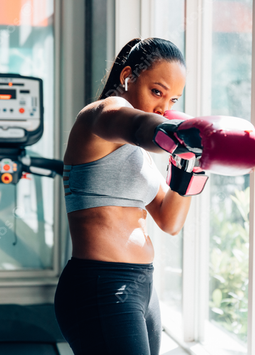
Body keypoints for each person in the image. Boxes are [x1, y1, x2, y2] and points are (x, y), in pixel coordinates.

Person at [54, 37, 195, 355]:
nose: (163, 108)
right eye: (157, 92)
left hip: (143, 285)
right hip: (100, 285)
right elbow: (143, 127)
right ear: (128, 76)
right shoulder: (104, 114)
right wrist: (184, 135)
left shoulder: (137, 157)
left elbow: (170, 220)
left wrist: (190, 169)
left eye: (173, 100)